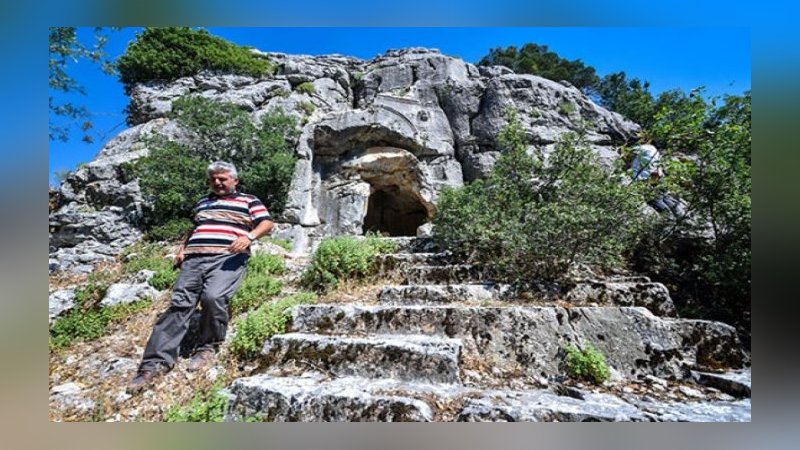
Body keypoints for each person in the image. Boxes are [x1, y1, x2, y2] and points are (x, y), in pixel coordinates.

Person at [127, 161, 274, 394]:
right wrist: (182, 248)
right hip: (193, 259)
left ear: (235, 180)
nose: (217, 182)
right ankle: (153, 366)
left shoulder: (248, 200)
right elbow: (196, 227)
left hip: (227, 257)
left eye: (222, 179)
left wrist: (249, 237)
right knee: (179, 306)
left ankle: (208, 347)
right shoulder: (202, 202)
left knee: (213, 297)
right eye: (213, 179)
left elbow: (266, 222)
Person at [631, 143, 684, 218]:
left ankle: (670, 220)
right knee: (665, 198)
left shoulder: (643, 148)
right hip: (659, 177)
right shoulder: (654, 150)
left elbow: (632, 151)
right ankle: (682, 218)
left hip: (647, 178)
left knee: (653, 200)